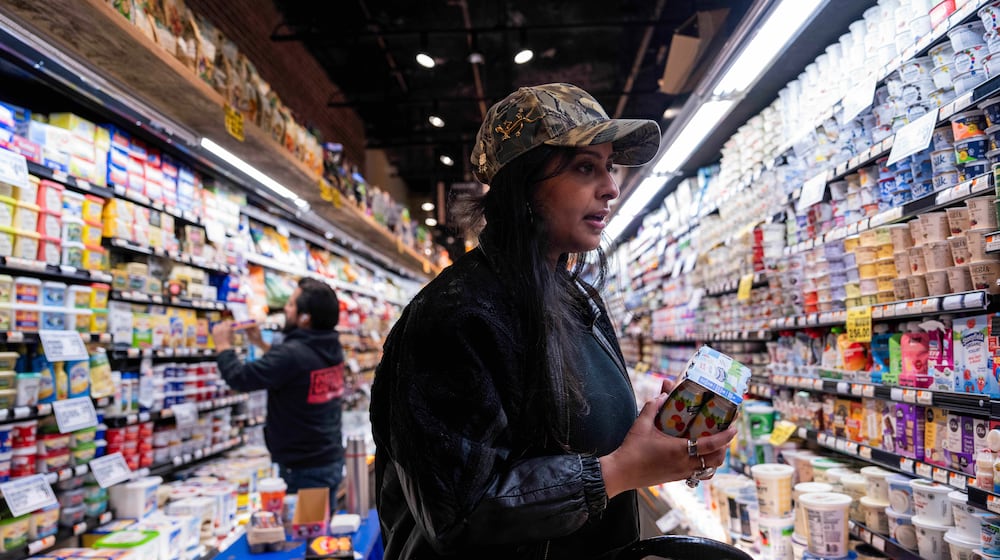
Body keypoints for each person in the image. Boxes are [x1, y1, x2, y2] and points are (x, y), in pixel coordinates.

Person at [370, 83, 738, 560]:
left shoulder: (576, 298)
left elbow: (575, 439)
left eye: (609, 166)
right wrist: (620, 470)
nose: (611, 188)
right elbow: (459, 512)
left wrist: (663, 444)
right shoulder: (455, 315)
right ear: (523, 184)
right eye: (585, 167)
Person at [212, 277, 346, 498]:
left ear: (305, 318)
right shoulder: (330, 345)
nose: (285, 308)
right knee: (322, 519)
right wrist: (261, 344)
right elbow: (296, 371)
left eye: (291, 304)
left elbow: (240, 378)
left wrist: (224, 346)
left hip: (302, 468)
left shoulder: (290, 354)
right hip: (328, 457)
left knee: (305, 521)